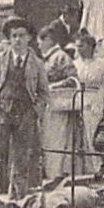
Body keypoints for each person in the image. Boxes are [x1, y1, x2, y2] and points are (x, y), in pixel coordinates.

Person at [0, 17, 50, 197]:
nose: (17, 40)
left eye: (21, 35)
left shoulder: (37, 64)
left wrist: (34, 112)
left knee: (21, 160)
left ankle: (17, 200)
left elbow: (44, 92)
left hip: (25, 115)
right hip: (0, 113)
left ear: (29, 38)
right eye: (14, 36)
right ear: (9, 39)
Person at [38, 24, 80, 178]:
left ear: (49, 40)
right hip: (48, 106)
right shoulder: (47, 58)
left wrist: (52, 86)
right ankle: (51, 174)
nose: (39, 45)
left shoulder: (60, 57)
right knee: (47, 142)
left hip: (59, 106)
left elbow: (73, 79)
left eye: (41, 41)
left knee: (56, 142)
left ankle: (55, 174)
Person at [72, 31, 104, 163]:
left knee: (91, 132)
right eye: (77, 46)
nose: (78, 49)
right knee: (76, 134)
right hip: (77, 99)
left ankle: (95, 165)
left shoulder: (103, 66)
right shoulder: (75, 64)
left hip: (94, 100)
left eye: (81, 46)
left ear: (91, 46)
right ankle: (80, 167)